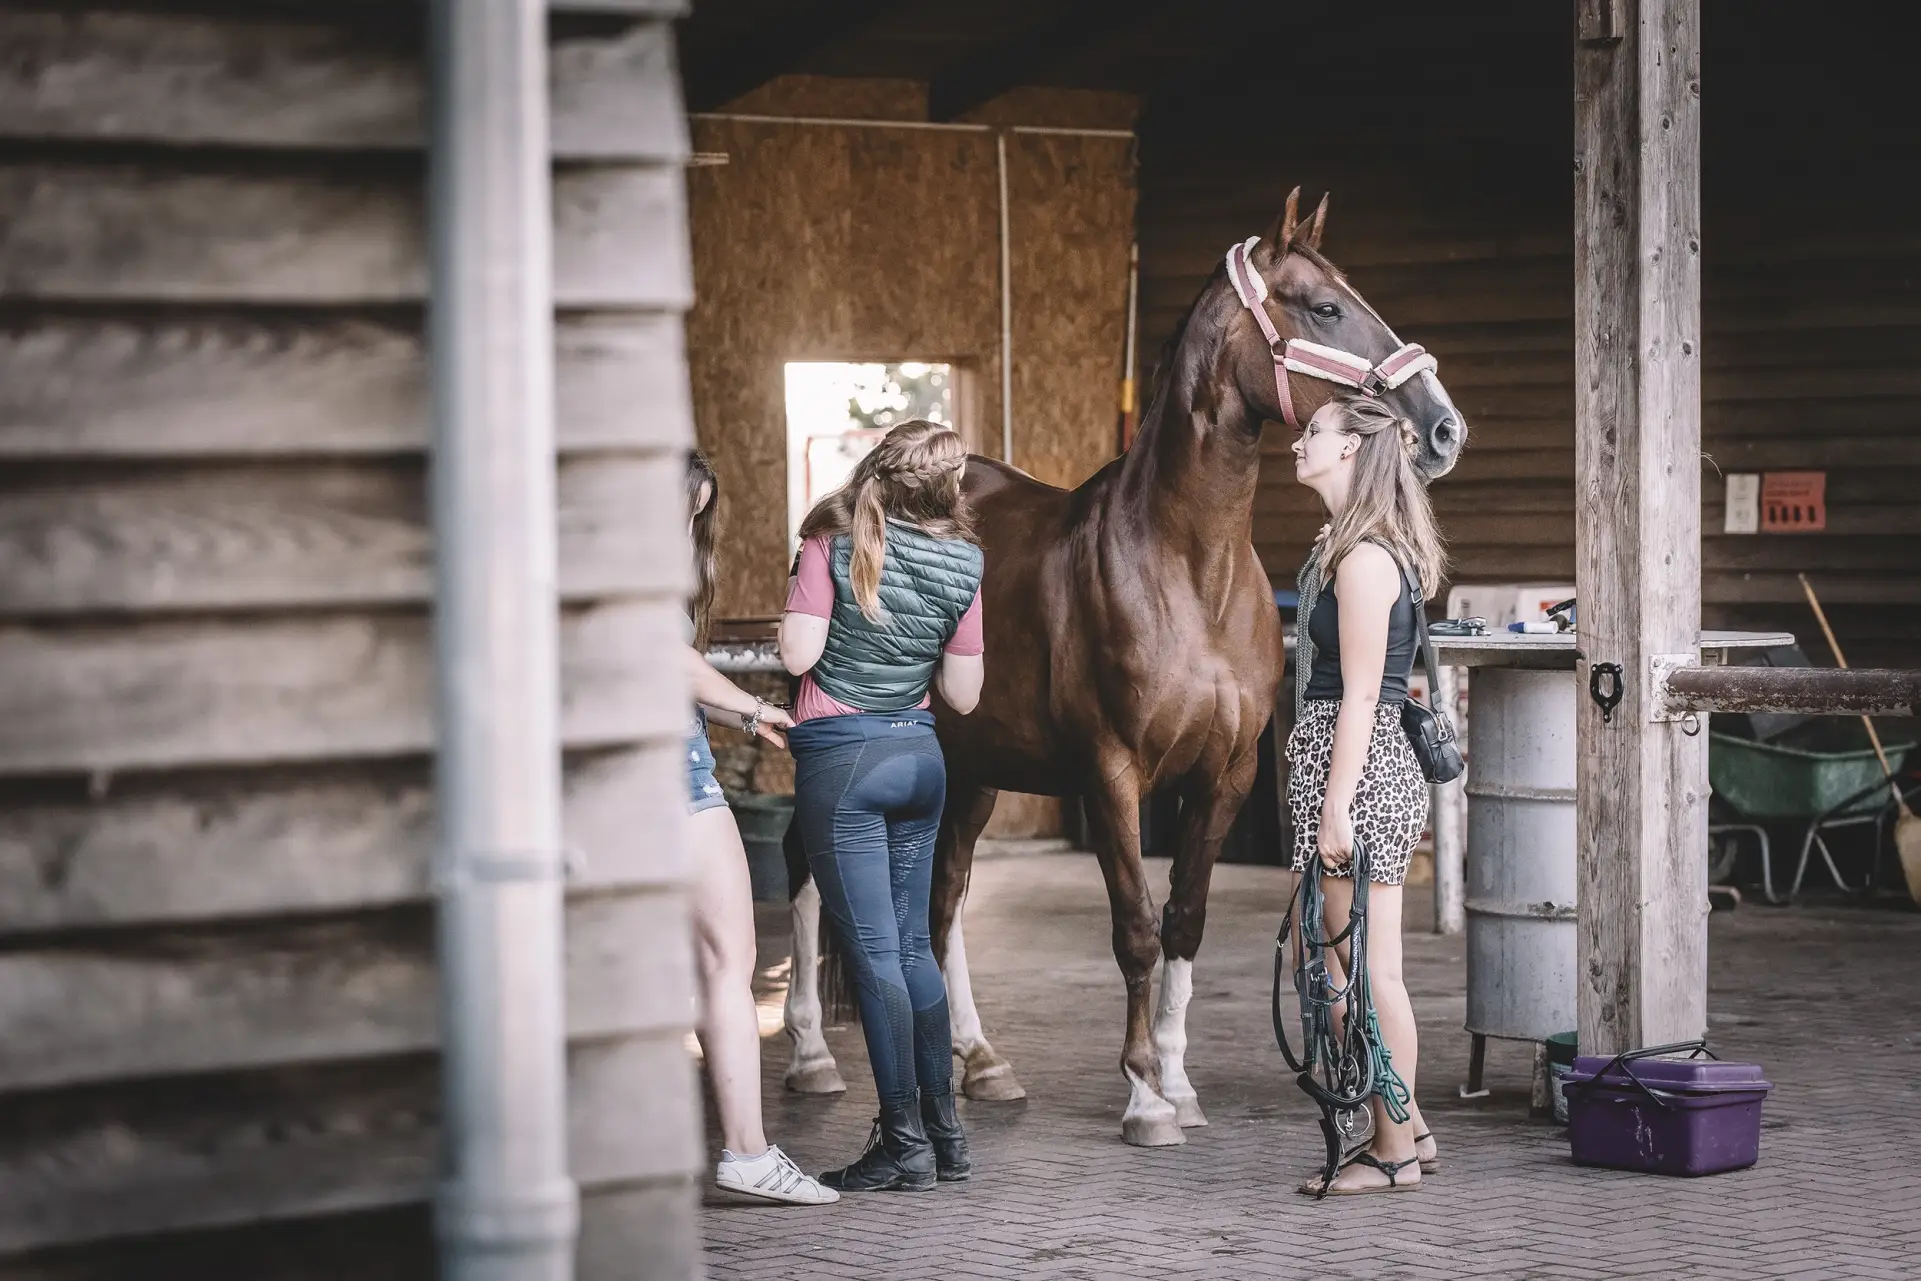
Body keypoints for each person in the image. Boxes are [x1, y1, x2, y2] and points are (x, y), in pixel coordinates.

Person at [778, 420, 985, 1193]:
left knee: (872, 955)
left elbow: (797, 653)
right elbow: (963, 694)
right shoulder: (967, 559)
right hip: (919, 760)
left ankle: (902, 1142)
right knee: (911, 950)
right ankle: (945, 1135)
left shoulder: (830, 539)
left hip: (844, 761)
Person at [1286, 396, 1446, 1196]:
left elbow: (1359, 695)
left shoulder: (1363, 560)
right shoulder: (1351, 547)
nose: (1298, 441)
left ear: (1351, 448)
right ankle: (1408, 1125)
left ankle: (1392, 1151)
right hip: (1352, 763)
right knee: (1343, 960)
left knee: (1366, 971)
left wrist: (1334, 805)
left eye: (1313, 431)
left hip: (1360, 768)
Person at [683, 451, 838, 1207]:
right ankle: (744, 1150)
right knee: (727, 958)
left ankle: (736, 1148)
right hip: (670, 778)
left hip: (664, 765)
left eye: (696, 515)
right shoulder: (626, 569)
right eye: (682, 507)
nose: (686, 528)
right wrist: (752, 706)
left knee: (710, 960)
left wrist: (749, 718)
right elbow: (663, 660)